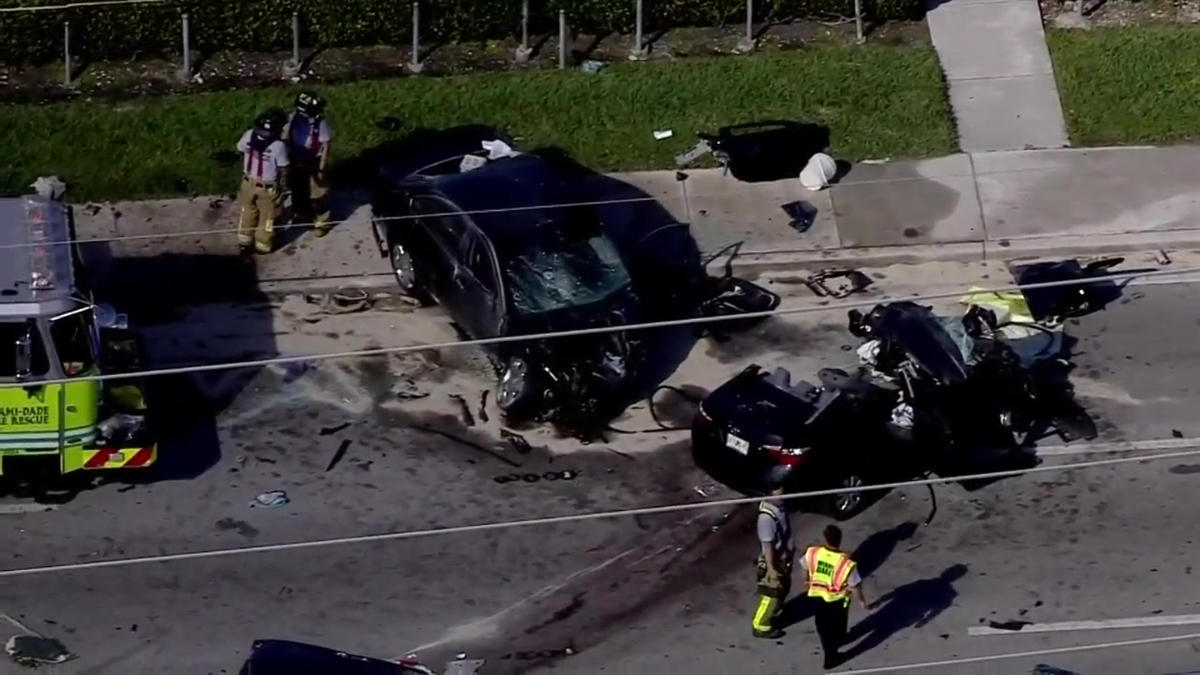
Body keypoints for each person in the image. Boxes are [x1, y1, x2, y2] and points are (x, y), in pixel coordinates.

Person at [800, 524, 871, 670]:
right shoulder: (845, 562)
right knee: (836, 626)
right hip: (836, 600)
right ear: (839, 540)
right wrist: (862, 601)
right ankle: (831, 658)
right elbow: (854, 585)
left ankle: (834, 642)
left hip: (817, 595)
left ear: (825, 538)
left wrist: (806, 583)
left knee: (822, 625)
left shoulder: (813, 552)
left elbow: (804, 567)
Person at [236, 109, 290, 255]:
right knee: (267, 217)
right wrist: (283, 187)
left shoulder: (248, 135)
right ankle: (263, 245)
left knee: (247, 211)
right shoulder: (279, 146)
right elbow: (283, 168)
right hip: (267, 187)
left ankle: (244, 242)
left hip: (248, 183)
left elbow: (240, 149)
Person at [285, 91, 333, 236]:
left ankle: (322, 223)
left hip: (314, 161)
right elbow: (285, 136)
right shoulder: (293, 118)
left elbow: (326, 145)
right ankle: (302, 214)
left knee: (318, 195)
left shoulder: (321, 124)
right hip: (296, 159)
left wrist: (322, 166)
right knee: (298, 190)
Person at [752, 484, 795, 639]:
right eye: (779, 494)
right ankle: (760, 625)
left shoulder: (779, 508)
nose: (783, 497)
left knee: (783, 588)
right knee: (771, 593)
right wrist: (771, 569)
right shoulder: (766, 518)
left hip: (782, 556)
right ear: (769, 495)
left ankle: (773, 614)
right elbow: (767, 545)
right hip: (774, 559)